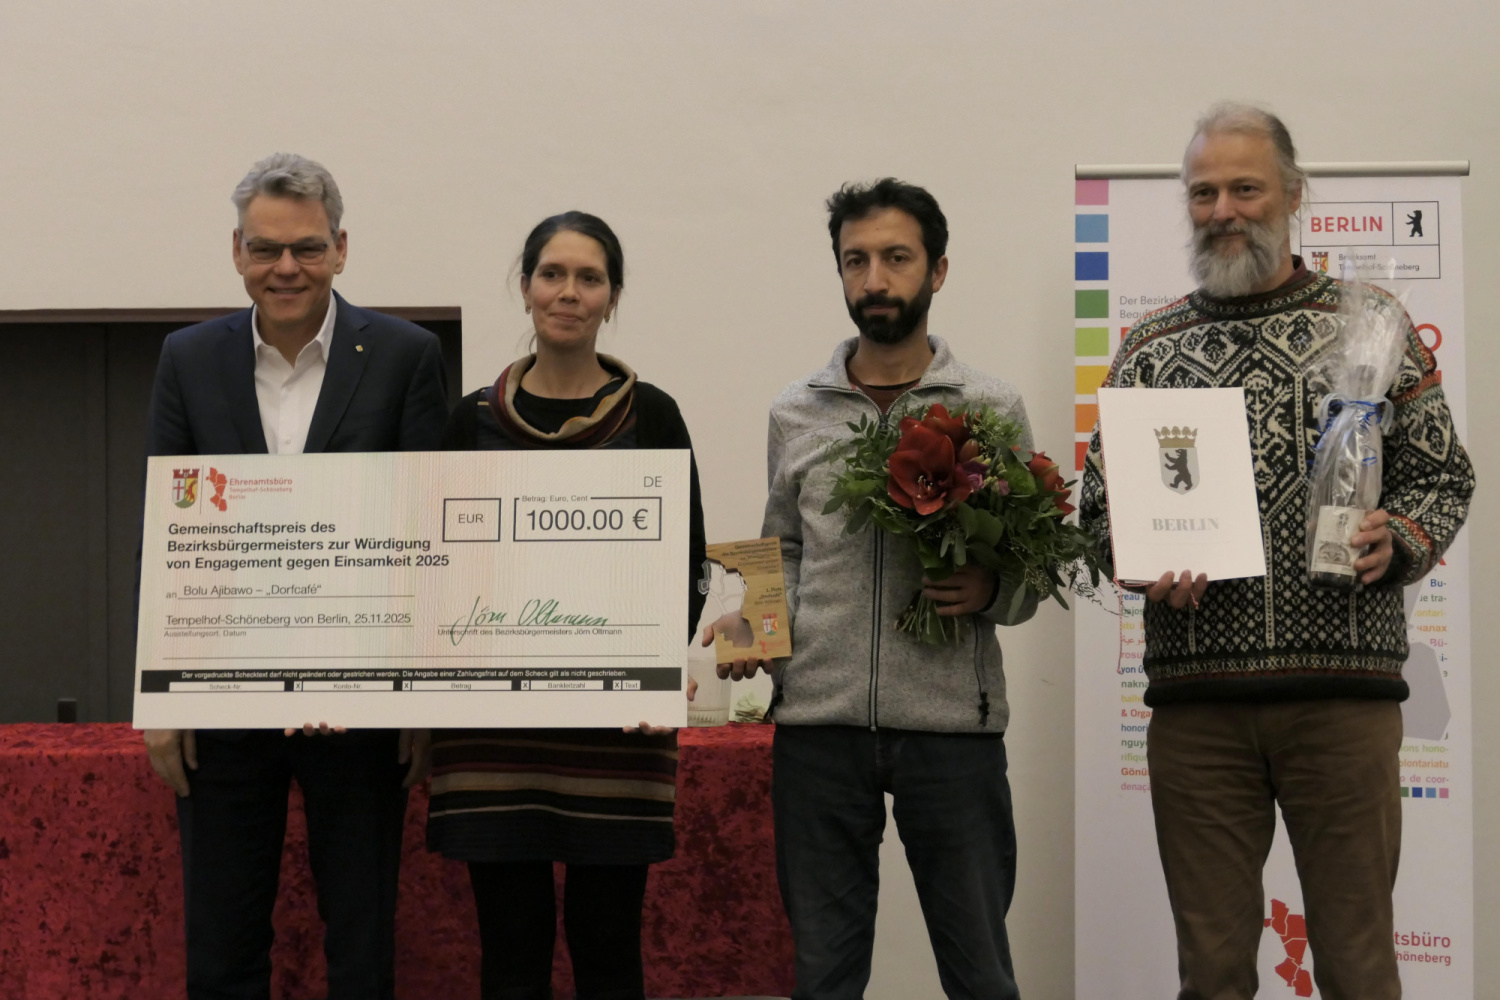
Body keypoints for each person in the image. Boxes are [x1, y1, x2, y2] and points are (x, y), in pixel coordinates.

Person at [1079, 103, 1475, 1000]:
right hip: (1198, 714)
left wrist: (1399, 540)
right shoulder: (1148, 349)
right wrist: (1139, 560)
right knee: (1212, 974)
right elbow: (1101, 512)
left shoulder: (1372, 324)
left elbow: (1444, 479)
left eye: (1245, 188)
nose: (1223, 210)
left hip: (1343, 706)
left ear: (1294, 195)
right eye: (1203, 193)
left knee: (1360, 969)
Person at [717, 178, 1037, 999]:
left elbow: (1033, 563)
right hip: (817, 729)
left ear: (938, 271)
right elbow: (782, 550)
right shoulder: (796, 410)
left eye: (896, 258)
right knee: (823, 977)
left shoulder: (990, 406)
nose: (875, 279)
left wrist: (991, 587)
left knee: (980, 974)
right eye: (855, 261)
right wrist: (757, 624)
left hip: (952, 729)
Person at [141, 153, 450, 999]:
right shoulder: (187, 358)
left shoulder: (406, 356)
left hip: (363, 701)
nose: (286, 267)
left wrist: (422, 698)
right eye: (266, 248)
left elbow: (428, 531)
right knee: (222, 945)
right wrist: (161, 697)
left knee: (362, 944)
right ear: (236, 251)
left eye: (307, 248)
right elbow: (166, 531)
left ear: (341, 248)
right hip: (222, 696)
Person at [425, 212, 707, 1000]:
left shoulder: (653, 416)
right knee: (510, 951)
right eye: (552, 274)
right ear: (525, 288)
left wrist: (655, 674)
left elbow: (687, 562)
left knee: (607, 946)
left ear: (612, 297)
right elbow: (436, 568)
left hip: (617, 739)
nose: (569, 292)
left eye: (589, 278)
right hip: (493, 740)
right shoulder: (469, 422)